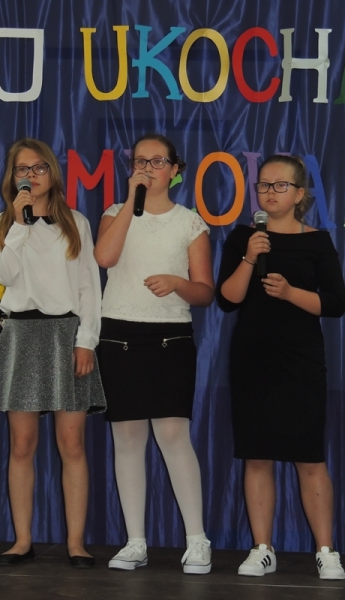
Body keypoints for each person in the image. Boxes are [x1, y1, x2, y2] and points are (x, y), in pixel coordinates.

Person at [0, 138, 106, 568]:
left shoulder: (76, 223)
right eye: (22, 170)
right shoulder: (2, 223)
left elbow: (89, 287)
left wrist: (86, 340)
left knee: (72, 444)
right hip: (22, 334)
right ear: (12, 178)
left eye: (38, 168)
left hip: (67, 334)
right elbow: (5, 274)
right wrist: (18, 223)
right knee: (22, 444)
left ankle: (76, 543)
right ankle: (22, 540)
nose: (30, 176)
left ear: (52, 172)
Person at [216, 155, 345, 580]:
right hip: (253, 360)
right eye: (263, 185)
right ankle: (262, 548)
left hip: (301, 361)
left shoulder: (317, 242)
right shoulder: (244, 237)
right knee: (257, 456)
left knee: (309, 457)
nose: (269, 193)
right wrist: (249, 258)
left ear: (299, 193)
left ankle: (326, 550)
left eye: (279, 186)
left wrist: (291, 293)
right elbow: (227, 299)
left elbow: (336, 304)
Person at [94, 134, 214, 574]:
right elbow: (104, 257)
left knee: (173, 436)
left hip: (170, 337)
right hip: (118, 334)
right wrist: (131, 201)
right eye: (140, 161)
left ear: (175, 170)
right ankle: (135, 542)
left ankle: (197, 541)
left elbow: (205, 292)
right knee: (126, 440)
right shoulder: (114, 212)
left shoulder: (190, 223)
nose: (147, 168)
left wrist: (178, 283)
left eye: (158, 161)